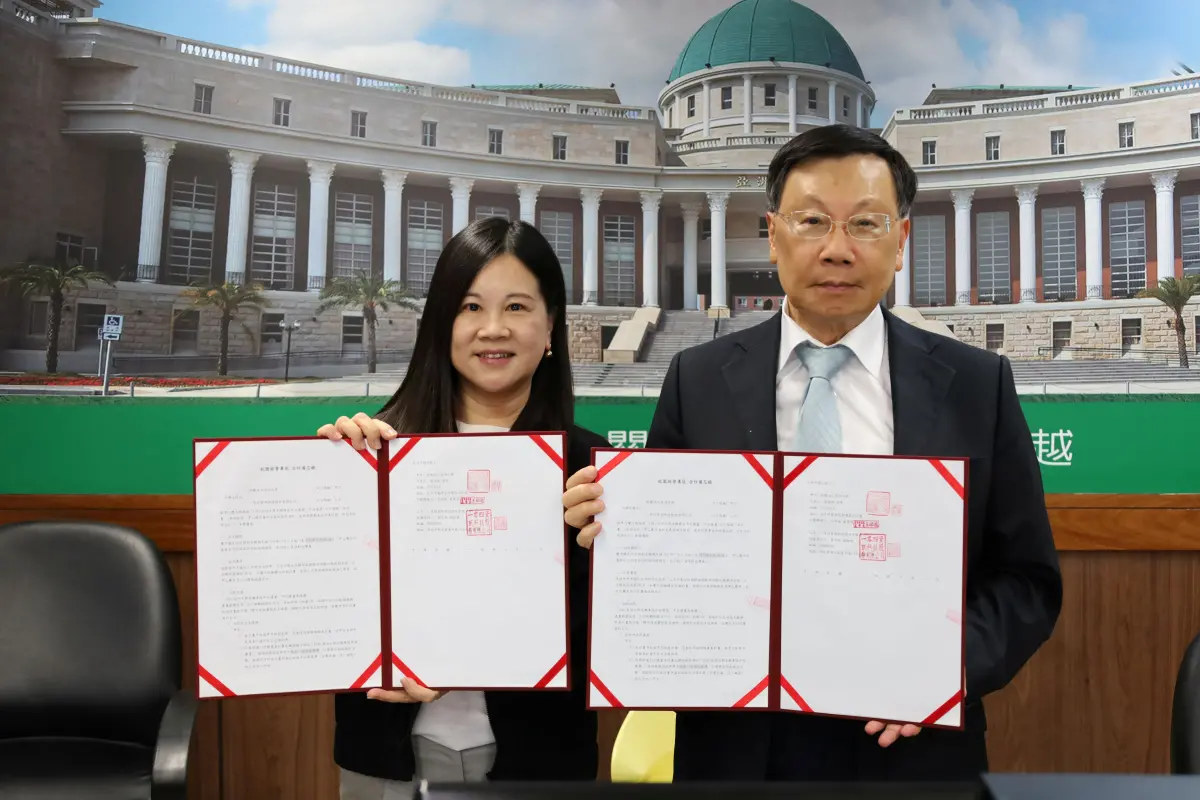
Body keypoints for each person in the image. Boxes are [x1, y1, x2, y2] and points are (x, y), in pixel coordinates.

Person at [563, 124, 1063, 782]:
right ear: (772, 235)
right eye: (811, 222)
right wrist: (615, 538)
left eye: (865, 223)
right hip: (739, 750)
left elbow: (1026, 581)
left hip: (910, 748)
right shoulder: (698, 377)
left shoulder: (977, 386)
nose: (837, 250)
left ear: (902, 241)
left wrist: (946, 667)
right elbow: (666, 560)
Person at [319, 217, 608, 799]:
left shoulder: (593, 471)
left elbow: (620, 636)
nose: (493, 329)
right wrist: (330, 485)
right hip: (387, 757)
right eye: (470, 307)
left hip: (539, 760)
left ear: (551, 326)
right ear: (441, 324)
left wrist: (608, 545)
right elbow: (333, 605)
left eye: (519, 307)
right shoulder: (374, 449)